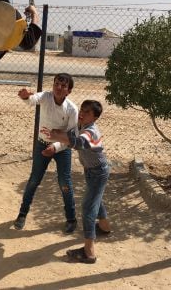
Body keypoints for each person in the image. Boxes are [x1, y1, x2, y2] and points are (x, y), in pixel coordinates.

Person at [41, 100, 111, 264]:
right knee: (96, 199)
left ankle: (89, 253)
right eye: (82, 110)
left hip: (98, 172)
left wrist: (57, 135)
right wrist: (59, 134)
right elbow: (71, 136)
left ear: (95, 117)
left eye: (87, 112)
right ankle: (105, 227)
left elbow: (79, 142)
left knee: (88, 208)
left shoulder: (91, 131)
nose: (82, 113)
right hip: (91, 171)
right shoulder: (80, 125)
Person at [14, 73, 79, 233]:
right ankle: (22, 214)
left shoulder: (72, 109)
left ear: (69, 91)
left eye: (63, 86)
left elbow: (72, 137)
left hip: (62, 148)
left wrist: (55, 147)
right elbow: (32, 100)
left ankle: (71, 218)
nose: (58, 87)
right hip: (42, 145)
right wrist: (25, 97)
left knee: (64, 182)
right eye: (56, 83)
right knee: (34, 180)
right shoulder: (46, 97)